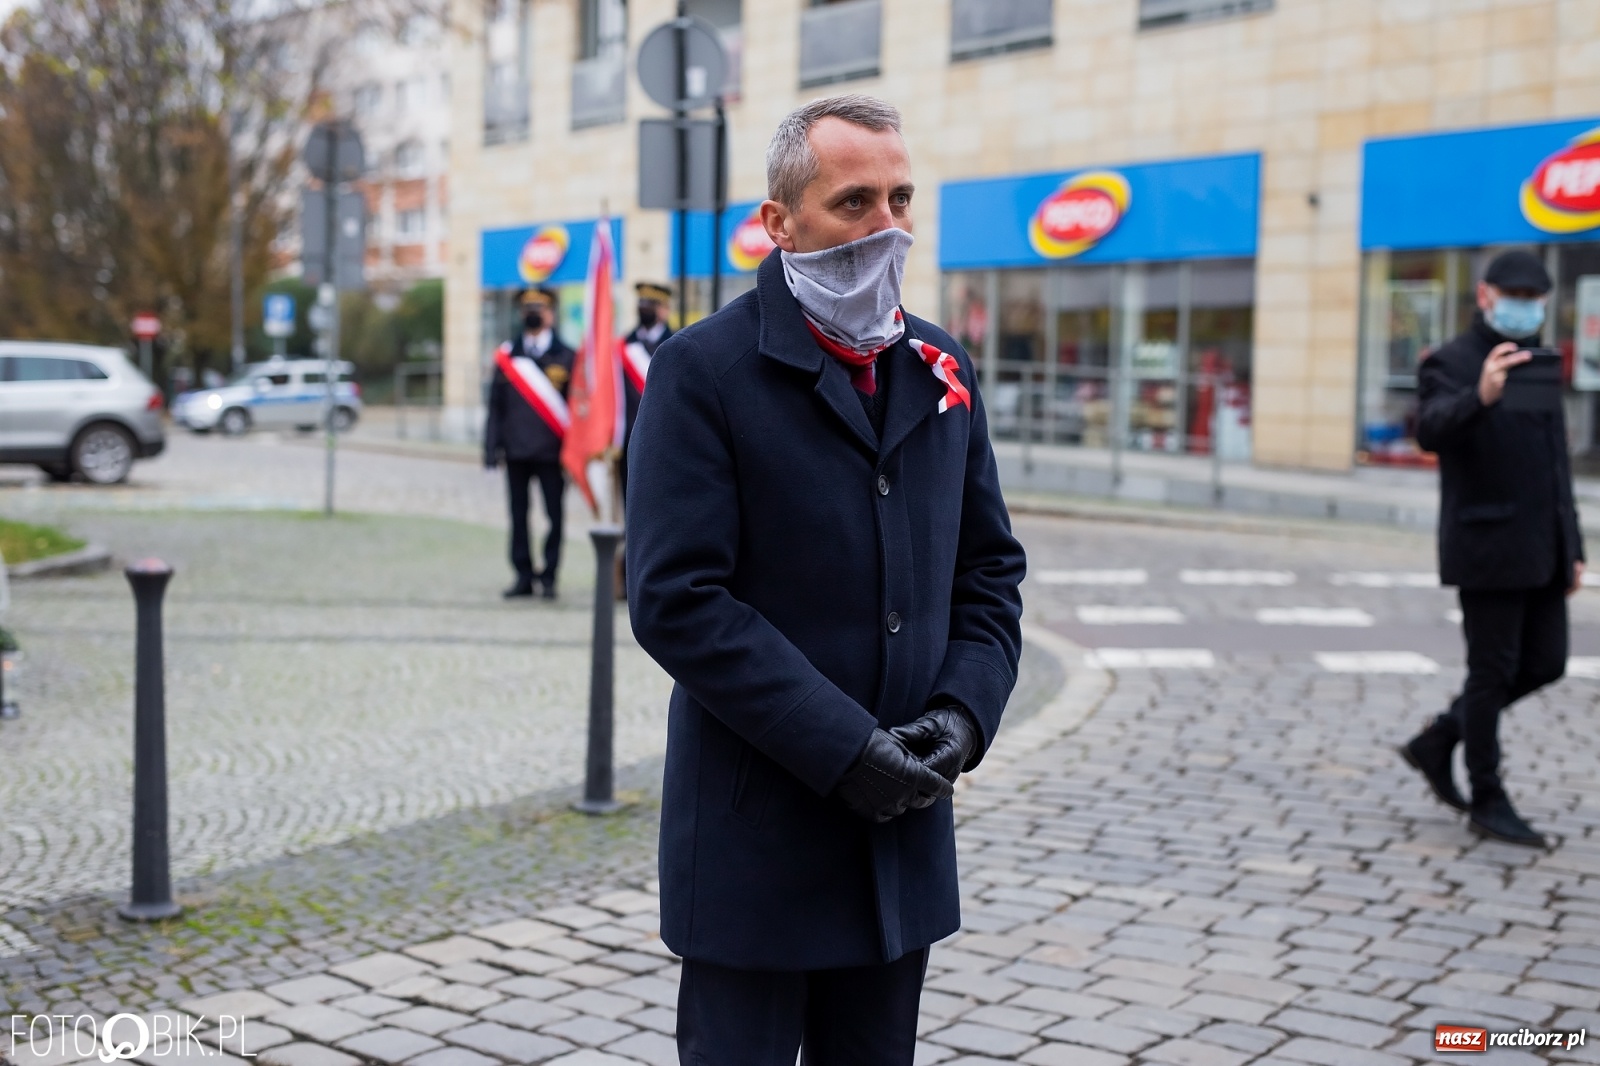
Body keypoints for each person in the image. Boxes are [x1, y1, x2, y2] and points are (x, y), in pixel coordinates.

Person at [626, 95, 1027, 1064]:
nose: (885, 225)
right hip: (756, 840)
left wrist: (962, 717)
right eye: (853, 203)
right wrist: (844, 745)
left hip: (901, 841)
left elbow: (988, 569)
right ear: (778, 222)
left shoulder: (937, 364)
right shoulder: (701, 371)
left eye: (900, 198)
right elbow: (678, 600)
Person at [1402, 249, 1584, 848]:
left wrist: (1573, 544)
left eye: (1534, 300)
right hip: (1487, 544)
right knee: (1492, 671)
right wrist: (1479, 395)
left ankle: (1439, 739)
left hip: (1543, 547)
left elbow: (1553, 463)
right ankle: (1488, 795)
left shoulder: (1537, 363)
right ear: (1485, 295)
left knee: (1546, 663)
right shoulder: (1450, 362)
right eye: (1514, 296)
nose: (1524, 308)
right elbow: (1429, 428)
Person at [483, 287, 575, 600]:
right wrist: (490, 448)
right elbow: (496, 407)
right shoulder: (508, 356)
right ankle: (523, 575)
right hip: (516, 451)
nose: (534, 313)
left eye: (540, 308)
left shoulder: (567, 356)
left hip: (552, 453)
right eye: (528, 308)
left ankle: (549, 576)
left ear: (551, 314)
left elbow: (577, 408)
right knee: (518, 516)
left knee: (555, 516)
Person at [619, 282, 673, 503]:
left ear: (664, 309)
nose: (645, 308)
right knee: (630, 503)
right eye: (642, 303)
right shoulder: (622, 347)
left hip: (668, 437)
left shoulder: (679, 343)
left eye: (651, 304)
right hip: (629, 436)